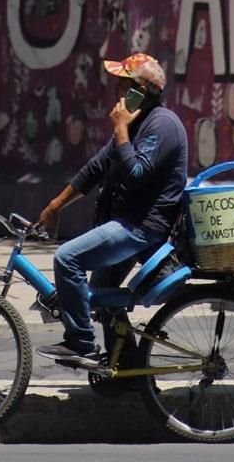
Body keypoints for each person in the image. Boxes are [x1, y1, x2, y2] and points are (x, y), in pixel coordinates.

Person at [35, 53, 188, 366]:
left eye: (124, 86)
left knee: (67, 259)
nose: (118, 93)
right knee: (102, 293)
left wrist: (120, 131)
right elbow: (96, 168)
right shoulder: (136, 123)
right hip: (128, 222)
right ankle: (126, 366)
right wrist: (55, 206)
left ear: (140, 91)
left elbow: (135, 175)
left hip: (143, 227)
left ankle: (81, 343)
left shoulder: (161, 125)